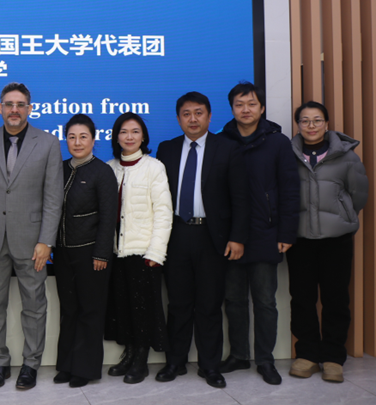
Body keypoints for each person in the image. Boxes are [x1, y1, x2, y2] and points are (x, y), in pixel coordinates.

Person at [0, 82, 63, 391]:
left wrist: (46, 241)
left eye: (20, 104)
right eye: (8, 104)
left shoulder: (48, 143)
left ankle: (30, 364)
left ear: (29, 109)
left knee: (34, 306)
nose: (14, 109)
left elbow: (53, 198)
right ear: (0, 108)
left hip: (32, 240)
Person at [155, 92, 247, 389]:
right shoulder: (166, 149)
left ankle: (210, 365)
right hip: (177, 234)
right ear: (178, 118)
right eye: (186, 113)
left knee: (209, 304)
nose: (192, 119)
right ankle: (175, 361)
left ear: (209, 116)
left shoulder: (228, 148)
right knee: (178, 303)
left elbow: (240, 198)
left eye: (198, 113)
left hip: (212, 237)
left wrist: (237, 237)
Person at [219, 82, 299, 385]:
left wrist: (287, 232)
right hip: (231, 234)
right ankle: (239, 355)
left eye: (251, 104)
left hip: (266, 231)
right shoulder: (222, 141)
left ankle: (265, 359)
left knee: (265, 301)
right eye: (239, 104)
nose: (246, 110)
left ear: (262, 108)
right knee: (234, 299)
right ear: (232, 109)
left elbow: (290, 189)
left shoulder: (278, 142)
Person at [288, 101, 368, 383]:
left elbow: (358, 195)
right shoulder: (289, 155)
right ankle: (307, 355)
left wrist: (341, 217)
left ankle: (333, 357)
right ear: (298, 125)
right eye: (305, 120)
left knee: (336, 299)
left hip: (337, 239)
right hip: (300, 239)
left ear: (326, 123)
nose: (311, 126)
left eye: (317, 120)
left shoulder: (346, 156)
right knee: (302, 298)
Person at [105, 112, 173, 384]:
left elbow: (164, 212)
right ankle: (130, 353)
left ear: (143, 136)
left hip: (143, 253)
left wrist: (156, 252)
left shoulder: (154, 167)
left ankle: (141, 360)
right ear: (116, 137)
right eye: (123, 132)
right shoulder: (109, 168)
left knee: (143, 308)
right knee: (123, 307)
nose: (129, 137)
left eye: (135, 131)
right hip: (116, 252)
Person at [52, 114, 118, 388]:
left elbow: (109, 217)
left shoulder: (102, 172)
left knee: (90, 310)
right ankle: (67, 365)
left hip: (91, 254)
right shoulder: (59, 168)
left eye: (83, 137)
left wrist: (102, 254)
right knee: (69, 310)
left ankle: (85, 369)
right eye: (71, 137)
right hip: (63, 253)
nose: (77, 142)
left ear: (93, 139)